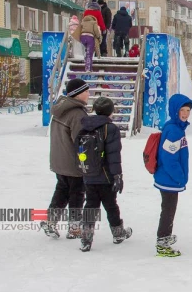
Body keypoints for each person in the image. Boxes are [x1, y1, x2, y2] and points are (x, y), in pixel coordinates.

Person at [77, 97, 132, 252]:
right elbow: (114, 156)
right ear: (110, 111)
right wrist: (117, 176)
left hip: (88, 174)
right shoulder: (111, 128)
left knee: (90, 205)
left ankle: (86, 238)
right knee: (111, 205)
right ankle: (118, 233)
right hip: (106, 176)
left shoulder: (86, 126)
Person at [41, 78, 89, 239]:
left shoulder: (61, 109)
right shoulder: (77, 114)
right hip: (72, 163)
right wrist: (86, 161)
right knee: (77, 194)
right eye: (86, 91)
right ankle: (74, 228)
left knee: (62, 191)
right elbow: (80, 141)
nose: (88, 94)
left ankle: (50, 221)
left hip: (59, 160)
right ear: (77, 94)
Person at [154, 93, 192, 257]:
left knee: (169, 209)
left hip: (168, 178)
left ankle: (164, 237)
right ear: (174, 111)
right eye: (181, 110)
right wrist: (180, 177)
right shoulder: (174, 130)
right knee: (168, 210)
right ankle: (162, 241)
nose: (185, 114)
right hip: (169, 179)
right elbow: (169, 159)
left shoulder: (175, 127)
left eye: (187, 110)